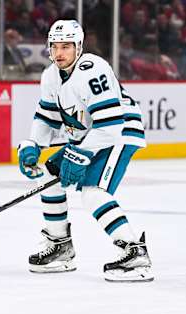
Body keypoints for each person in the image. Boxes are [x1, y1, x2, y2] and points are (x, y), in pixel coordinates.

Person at [17, 20, 153, 282]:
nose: (60, 53)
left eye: (66, 46)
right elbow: (46, 118)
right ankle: (60, 247)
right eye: (55, 46)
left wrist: (80, 154)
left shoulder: (92, 69)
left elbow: (111, 125)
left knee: (93, 193)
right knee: (47, 178)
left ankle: (135, 252)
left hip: (120, 133)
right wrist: (34, 144)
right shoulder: (50, 76)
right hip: (89, 137)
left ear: (78, 46)